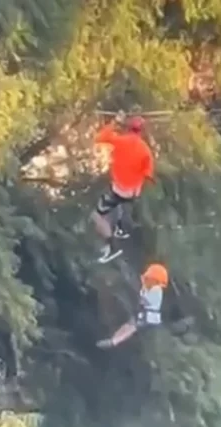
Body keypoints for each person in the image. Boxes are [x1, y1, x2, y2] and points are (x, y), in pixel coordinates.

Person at [91, 110, 155, 263]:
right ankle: (119, 228)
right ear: (141, 132)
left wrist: (115, 121)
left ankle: (111, 246)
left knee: (97, 215)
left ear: (127, 128)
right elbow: (148, 175)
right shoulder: (146, 151)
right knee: (119, 203)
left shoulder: (120, 141)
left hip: (119, 189)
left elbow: (100, 138)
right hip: (133, 192)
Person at [97, 263, 168, 349]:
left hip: (148, 316)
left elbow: (145, 301)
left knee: (131, 327)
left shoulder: (156, 290)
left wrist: (138, 297)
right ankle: (113, 340)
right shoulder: (149, 287)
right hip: (143, 313)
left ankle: (114, 341)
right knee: (128, 325)